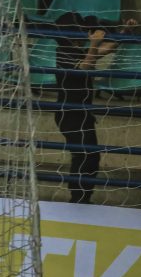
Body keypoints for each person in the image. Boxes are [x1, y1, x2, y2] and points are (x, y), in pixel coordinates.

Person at [52, 12, 136, 204]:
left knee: (90, 156)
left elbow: (106, 49)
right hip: (69, 114)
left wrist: (125, 31)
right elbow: (85, 68)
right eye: (82, 30)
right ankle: (78, 197)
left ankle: (83, 196)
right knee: (83, 155)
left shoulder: (78, 49)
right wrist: (93, 44)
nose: (86, 32)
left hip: (83, 113)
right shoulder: (63, 51)